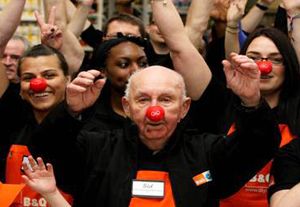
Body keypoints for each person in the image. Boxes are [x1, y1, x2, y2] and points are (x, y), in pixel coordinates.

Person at [28, 61, 280, 206]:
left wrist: (251, 101)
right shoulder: (98, 148)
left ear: (184, 108)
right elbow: (44, 149)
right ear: (127, 107)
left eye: (166, 100)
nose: (154, 111)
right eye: (143, 99)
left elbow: (259, 145)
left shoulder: (207, 152)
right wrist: (70, 110)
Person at [212, 26, 300, 207]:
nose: (263, 66)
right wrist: (231, 25)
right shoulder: (221, 106)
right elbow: (181, 47)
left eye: (276, 60)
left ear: (289, 65)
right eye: (253, 58)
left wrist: (295, 14)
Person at [0, 44, 73, 206]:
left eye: (49, 75)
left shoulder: (85, 131)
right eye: (28, 78)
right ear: (20, 87)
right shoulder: (10, 124)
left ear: (68, 80)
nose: (37, 84)